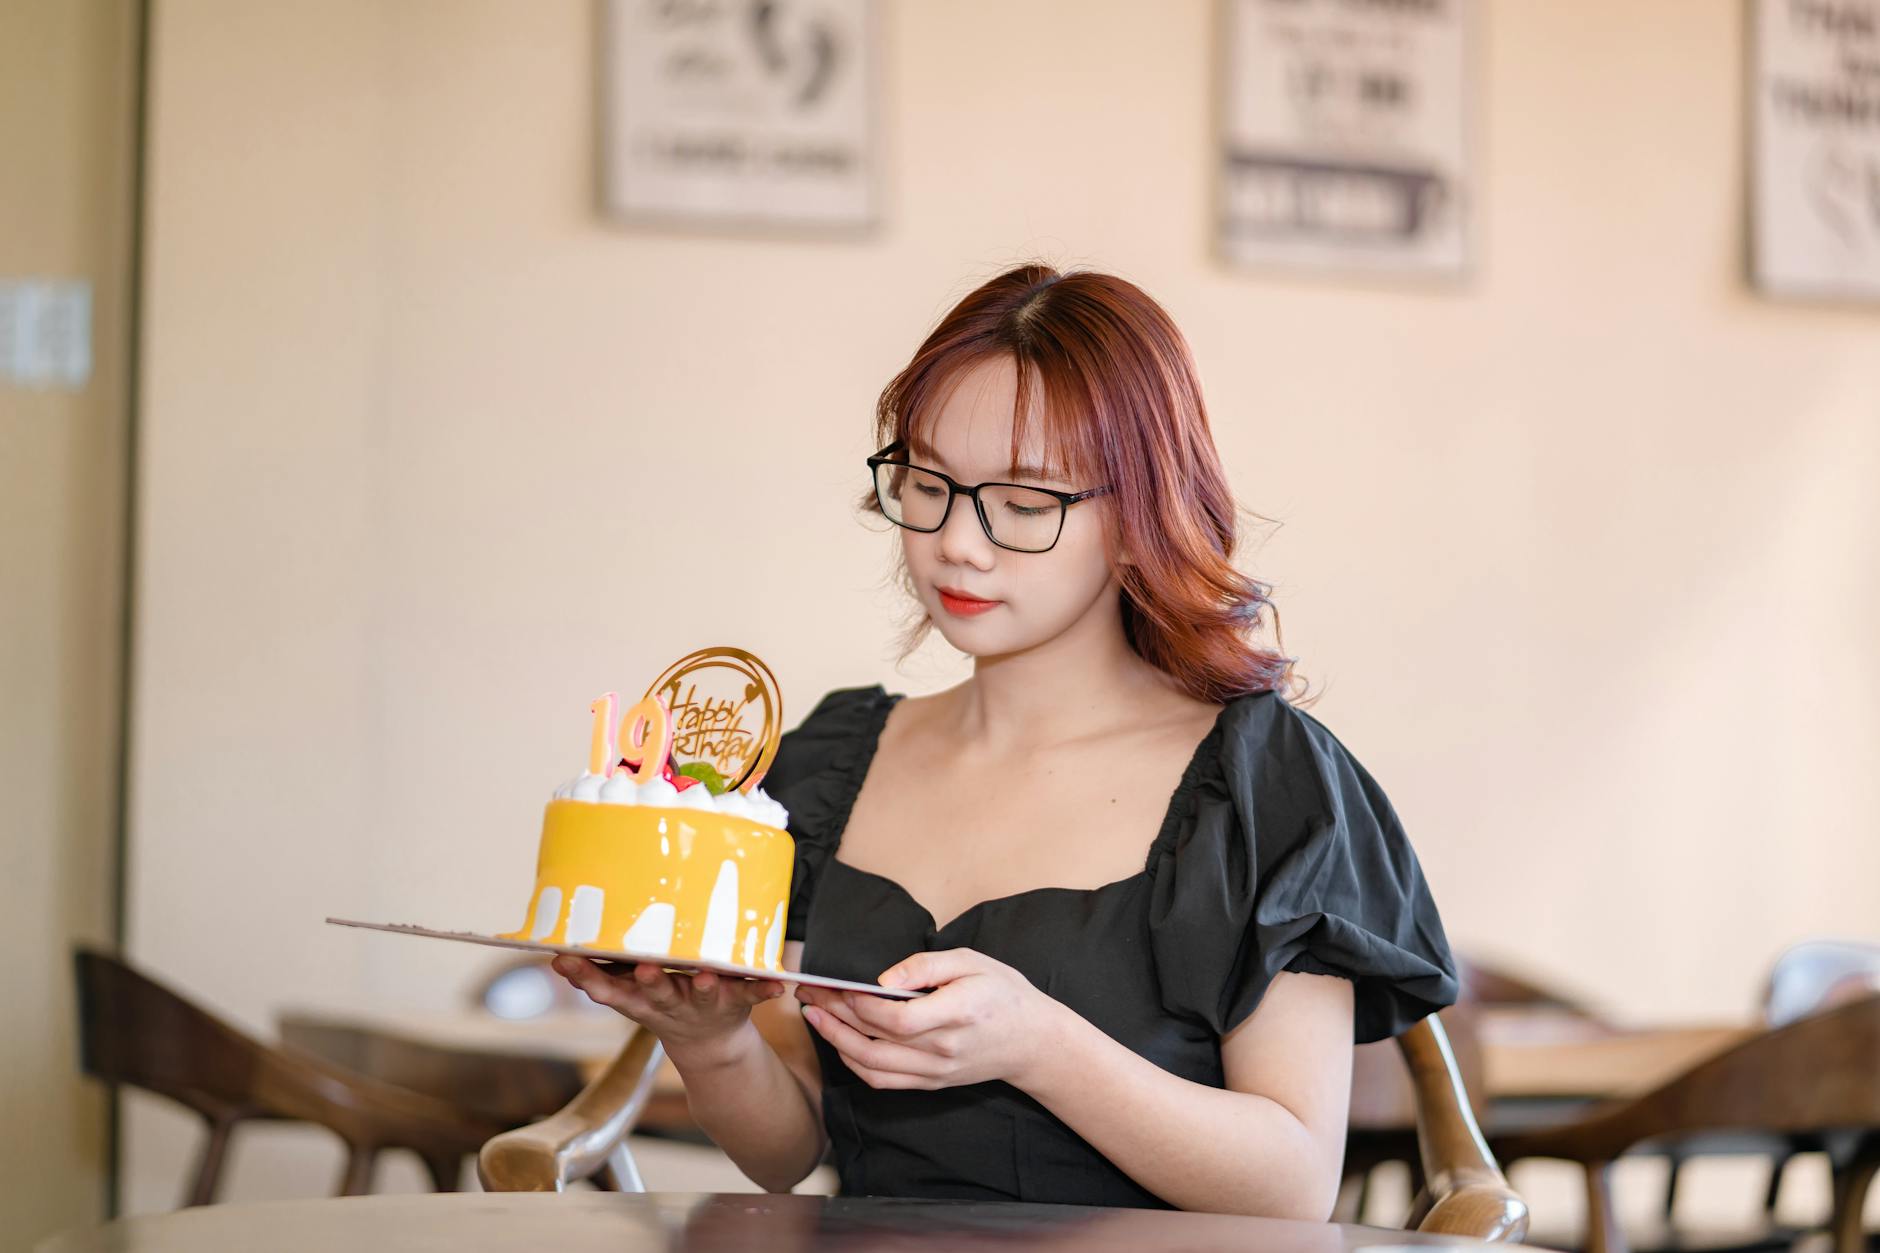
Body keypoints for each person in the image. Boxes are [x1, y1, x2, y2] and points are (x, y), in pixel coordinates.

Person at [554, 264, 1456, 1218]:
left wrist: (1039, 1045)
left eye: (1025, 505)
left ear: (1141, 513)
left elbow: (1291, 1190)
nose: (958, 544)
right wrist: (709, 1040)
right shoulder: (836, 762)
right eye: (929, 482)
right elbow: (788, 1151)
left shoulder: (1262, 787)